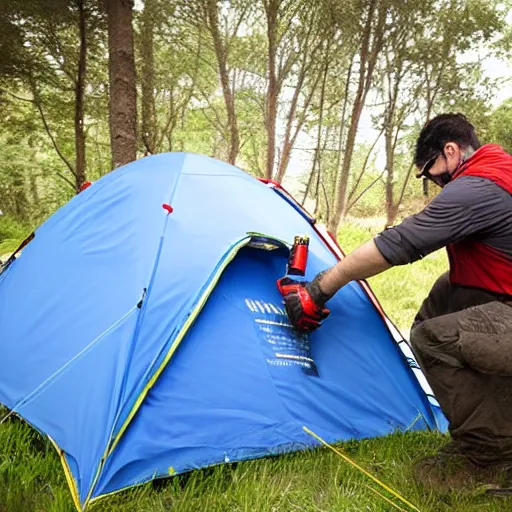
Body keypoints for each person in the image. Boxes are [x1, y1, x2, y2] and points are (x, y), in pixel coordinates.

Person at [278, 113, 512, 491]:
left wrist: (321, 287)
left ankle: (490, 456)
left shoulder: (479, 187)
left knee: (433, 339)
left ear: (450, 151)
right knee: (443, 296)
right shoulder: (501, 171)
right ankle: (495, 423)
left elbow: (401, 243)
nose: (433, 182)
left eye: (431, 171)